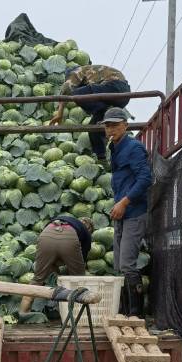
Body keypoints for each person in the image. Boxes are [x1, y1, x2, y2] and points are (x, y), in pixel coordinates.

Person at [103, 107, 152, 317]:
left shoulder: (133, 148)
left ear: (125, 125)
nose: (110, 129)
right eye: (107, 126)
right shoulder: (114, 147)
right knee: (119, 264)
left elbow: (145, 179)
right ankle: (124, 311)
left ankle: (136, 314)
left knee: (127, 264)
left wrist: (124, 202)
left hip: (134, 212)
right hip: (121, 213)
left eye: (115, 125)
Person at [49, 64, 131, 159]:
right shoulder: (89, 76)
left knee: (76, 94)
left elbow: (66, 90)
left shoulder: (76, 72)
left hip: (114, 87)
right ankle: (102, 158)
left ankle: (102, 110)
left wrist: (59, 114)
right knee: (93, 129)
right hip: (123, 97)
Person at [18, 214, 93, 317]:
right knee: (78, 278)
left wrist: (56, 270)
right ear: (89, 229)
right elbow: (80, 262)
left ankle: (23, 312)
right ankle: (77, 314)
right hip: (68, 238)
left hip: (46, 235)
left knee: (37, 279)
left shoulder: (66, 219)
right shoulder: (86, 233)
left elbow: (52, 243)